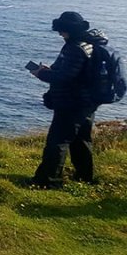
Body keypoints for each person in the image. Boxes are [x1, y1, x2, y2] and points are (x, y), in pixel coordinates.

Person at [29, 11, 98, 188]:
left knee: (57, 142)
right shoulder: (89, 45)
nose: (60, 34)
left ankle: (48, 181)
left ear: (69, 30)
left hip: (71, 103)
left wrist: (41, 73)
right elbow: (73, 73)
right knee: (81, 140)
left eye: (62, 30)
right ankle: (85, 177)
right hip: (87, 102)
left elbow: (65, 77)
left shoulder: (74, 48)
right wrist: (49, 71)